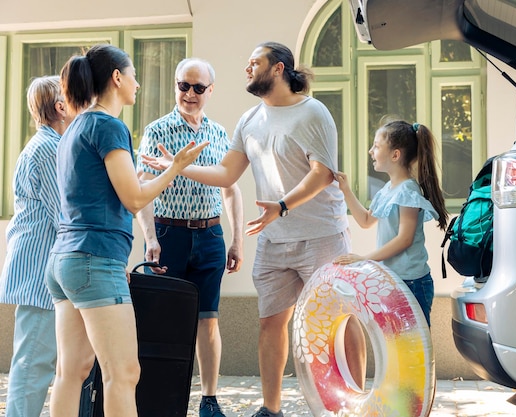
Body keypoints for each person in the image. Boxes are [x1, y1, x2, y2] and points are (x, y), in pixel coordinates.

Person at [141, 41, 366, 417]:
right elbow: (227, 174)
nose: (247, 69)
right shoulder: (250, 120)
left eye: (254, 63)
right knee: (270, 324)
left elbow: (322, 173)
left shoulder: (313, 112)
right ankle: (271, 408)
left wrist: (281, 206)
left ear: (278, 68)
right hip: (275, 238)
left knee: (338, 322)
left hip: (321, 236)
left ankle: (354, 404)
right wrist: (177, 167)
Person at [44, 44, 207, 417]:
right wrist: (175, 167)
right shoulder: (107, 125)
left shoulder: (74, 128)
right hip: (93, 261)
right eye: (133, 75)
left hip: (66, 261)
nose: (137, 84)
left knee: (72, 371)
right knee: (124, 373)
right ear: (117, 78)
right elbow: (133, 199)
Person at [135, 57, 244, 417]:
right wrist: (151, 238)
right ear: (175, 86)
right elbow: (141, 189)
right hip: (169, 234)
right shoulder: (157, 130)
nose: (190, 93)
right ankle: (158, 399)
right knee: (162, 321)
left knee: (208, 319)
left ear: (211, 91)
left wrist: (236, 239)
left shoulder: (218, 132)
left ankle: (209, 401)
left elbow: (230, 188)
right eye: (184, 85)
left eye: (199, 87)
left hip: (210, 234)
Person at [0, 76, 72, 417]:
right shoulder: (47, 149)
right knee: (33, 363)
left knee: (41, 361)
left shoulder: (53, 145)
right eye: (73, 97)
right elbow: (66, 214)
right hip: (39, 273)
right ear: (60, 107)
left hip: (48, 270)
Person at [333, 120, 449, 326]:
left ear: (395, 155)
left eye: (376, 146)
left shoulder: (407, 191)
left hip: (412, 283)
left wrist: (364, 259)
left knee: (416, 347)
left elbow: (404, 239)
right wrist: (346, 190)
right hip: (393, 280)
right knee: (400, 346)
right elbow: (366, 221)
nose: (371, 151)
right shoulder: (388, 189)